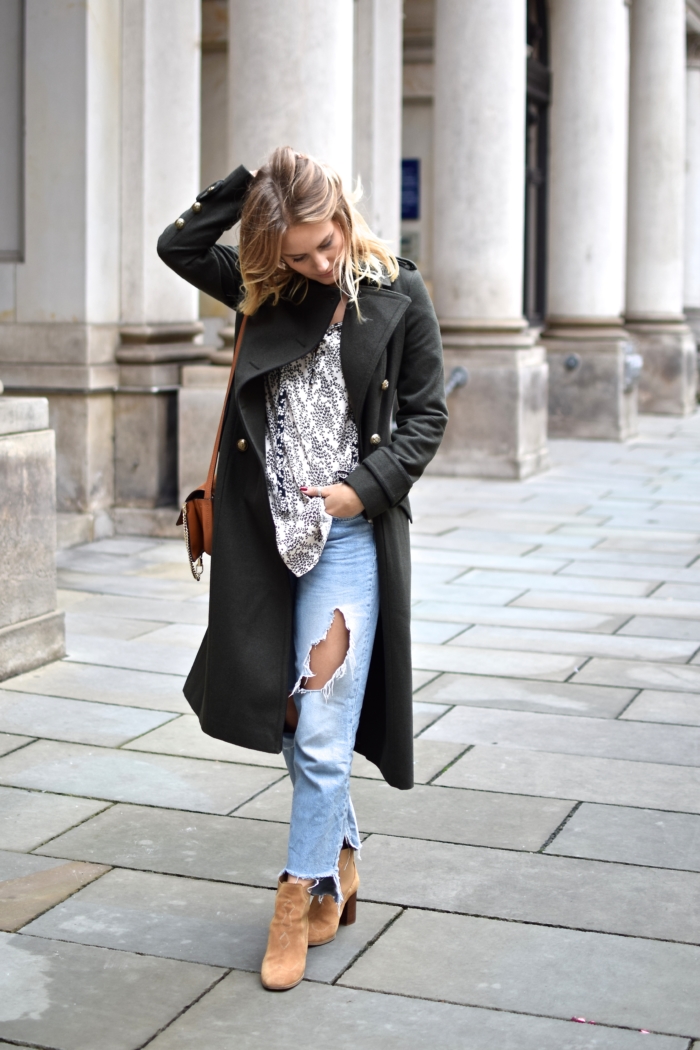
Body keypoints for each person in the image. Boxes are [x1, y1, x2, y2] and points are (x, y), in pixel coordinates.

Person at [157, 147, 447, 991]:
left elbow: (427, 415)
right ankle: (341, 858)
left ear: (348, 217)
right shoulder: (264, 289)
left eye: (328, 243)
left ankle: (298, 895)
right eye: (302, 254)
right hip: (262, 541)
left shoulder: (400, 293)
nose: (322, 263)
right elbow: (180, 247)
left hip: (346, 540)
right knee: (291, 719)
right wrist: (250, 186)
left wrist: (366, 489)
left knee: (322, 728)